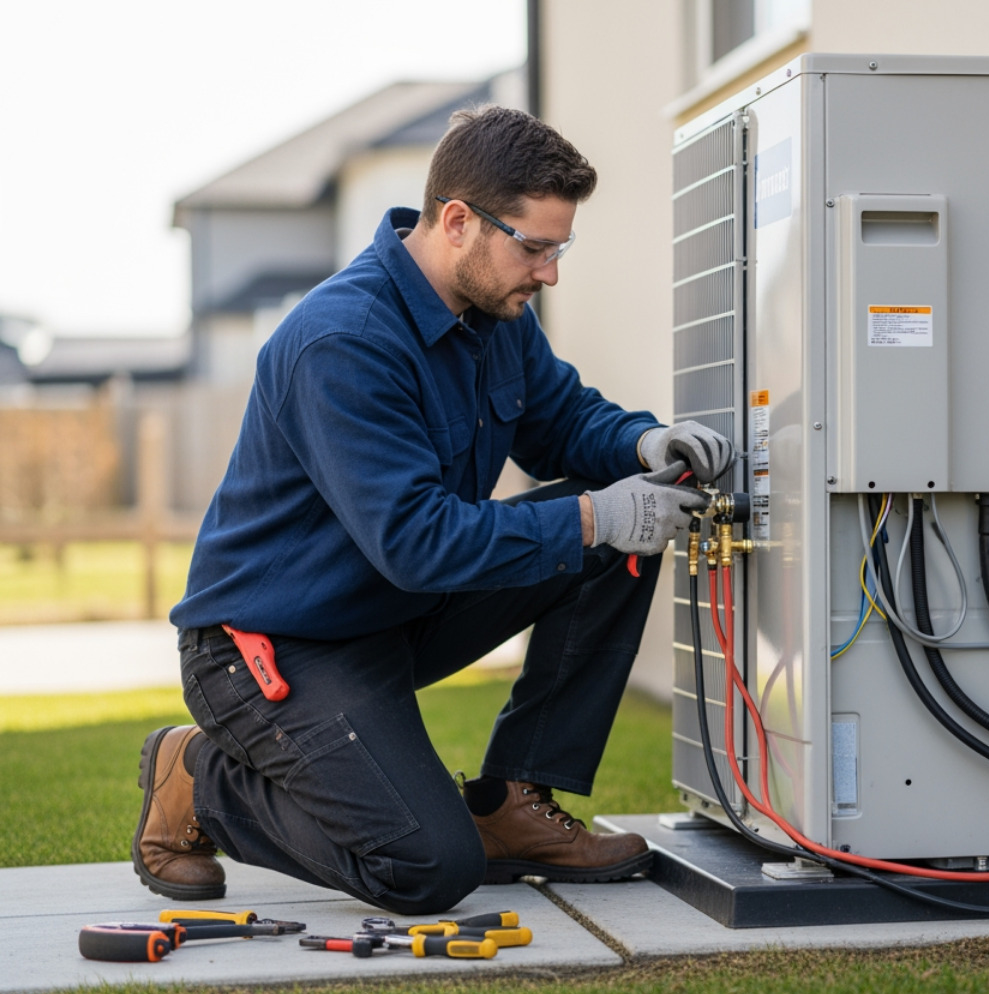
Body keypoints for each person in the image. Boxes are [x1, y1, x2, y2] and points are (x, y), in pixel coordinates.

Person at [132, 106, 733, 915]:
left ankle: (513, 804)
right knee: (426, 866)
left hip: (391, 613)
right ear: (457, 221)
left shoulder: (498, 316)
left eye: (560, 248)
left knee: (624, 530)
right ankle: (198, 779)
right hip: (272, 648)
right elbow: (418, 542)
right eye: (535, 246)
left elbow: (563, 421)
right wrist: (595, 516)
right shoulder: (342, 341)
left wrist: (645, 446)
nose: (549, 272)